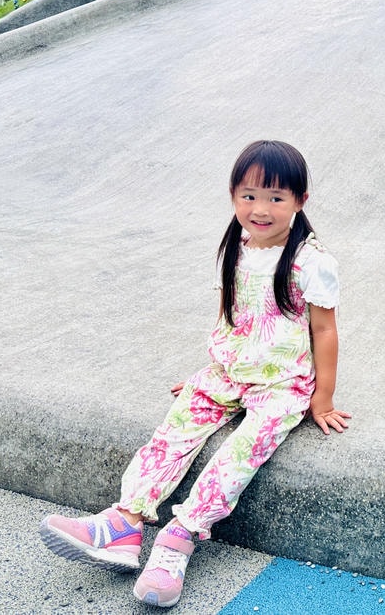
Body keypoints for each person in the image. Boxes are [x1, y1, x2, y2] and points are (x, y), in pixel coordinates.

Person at [40, 140, 350, 608]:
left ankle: (177, 540)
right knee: (174, 430)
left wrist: (321, 397)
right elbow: (234, 314)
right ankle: (124, 522)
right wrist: (211, 371)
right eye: (248, 196)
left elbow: (324, 330)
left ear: (300, 201)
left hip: (282, 383)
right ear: (232, 196)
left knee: (239, 453)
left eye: (275, 198)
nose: (260, 209)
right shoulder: (236, 245)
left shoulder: (312, 261)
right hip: (229, 369)